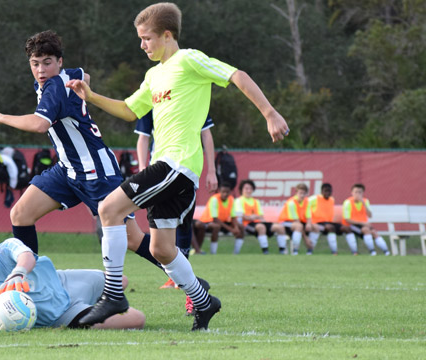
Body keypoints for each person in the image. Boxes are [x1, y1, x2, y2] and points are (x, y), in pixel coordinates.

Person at [66, 2, 289, 330]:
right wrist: (91, 96)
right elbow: (130, 110)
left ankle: (113, 295)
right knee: (162, 248)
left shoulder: (188, 59)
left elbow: (236, 75)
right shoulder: (153, 75)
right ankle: (204, 301)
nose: (142, 45)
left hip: (178, 164)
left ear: (167, 35)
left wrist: (270, 113)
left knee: (109, 208)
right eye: (140, 39)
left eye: (147, 38)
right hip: (169, 167)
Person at [0, 30, 158, 269]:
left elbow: (39, 124)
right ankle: (31, 280)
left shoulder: (54, 86)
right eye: (35, 64)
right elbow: (85, 75)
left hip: (96, 170)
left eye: (47, 63)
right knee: (21, 215)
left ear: (59, 62)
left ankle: (190, 280)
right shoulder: (66, 76)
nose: (41, 70)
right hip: (68, 170)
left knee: (132, 239)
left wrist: (1, 116)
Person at [0, 229, 145, 329]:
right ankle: (89, 312)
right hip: (63, 314)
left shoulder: (4, 248)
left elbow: (26, 256)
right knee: (137, 319)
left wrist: (18, 272)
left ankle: (95, 306)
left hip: (64, 281)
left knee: (121, 281)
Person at [135, 110, 217, 286]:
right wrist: (143, 167)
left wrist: (212, 170)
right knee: (159, 227)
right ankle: (181, 276)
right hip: (159, 169)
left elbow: (206, 135)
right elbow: (143, 137)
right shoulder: (152, 99)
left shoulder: (193, 94)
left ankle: (179, 279)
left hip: (187, 167)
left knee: (183, 221)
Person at [234, 179, 287, 254]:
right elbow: (241, 216)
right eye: (246, 188)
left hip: (258, 222)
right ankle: (265, 251)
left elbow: (261, 216)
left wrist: (253, 216)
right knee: (261, 227)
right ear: (241, 190)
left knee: (279, 227)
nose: (248, 191)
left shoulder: (256, 201)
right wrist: (252, 217)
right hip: (246, 224)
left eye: (250, 189)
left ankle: (282, 251)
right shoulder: (238, 201)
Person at [192, 182, 242, 255]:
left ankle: (236, 253)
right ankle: (213, 253)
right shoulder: (214, 199)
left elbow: (233, 216)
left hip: (223, 222)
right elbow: (215, 219)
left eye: (227, 192)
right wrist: (231, 229)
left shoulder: (231, 199)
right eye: (223, 192)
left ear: (230, 192)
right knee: (216, 227)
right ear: (219, 191)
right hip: (208, 221)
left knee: (241, 227)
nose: (225, 194)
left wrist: (236, 227)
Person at [342, 183, 390, 256]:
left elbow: (370, 215)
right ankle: (372, 251)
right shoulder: (348, 202)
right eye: (356, 192)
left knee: (374, 232)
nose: (357, 194)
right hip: (352, 226)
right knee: (366, 230)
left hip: (364, 225)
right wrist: (362, 223)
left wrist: (364, 204)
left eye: (360, 192)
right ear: (352, 193)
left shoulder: (365, 201)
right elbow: (347, 219)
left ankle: (386, 251)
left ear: (363, 193)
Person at [305, 183, 346, 255]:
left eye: (329, 191)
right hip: (317, 222)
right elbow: (305, 206)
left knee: (346, 228)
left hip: (328, 222)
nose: (328, 193)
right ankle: (333, 251)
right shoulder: (314, 198)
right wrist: (309, 221)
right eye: (325, 191)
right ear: (321, 191)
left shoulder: (332, 199)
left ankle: (354, 252)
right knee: (330, 228)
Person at [278, 183, 312, 255]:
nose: (302, 195)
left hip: (297, 222)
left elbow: (308, 216)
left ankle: (310, 250)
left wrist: (309, 224)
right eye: (300, 193)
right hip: (285, 222)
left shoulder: (307, 201)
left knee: (314, 227)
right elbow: (296, 221)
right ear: (296, 193)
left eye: (304, 193)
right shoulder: (291, 203)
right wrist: (305, 238)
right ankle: (295, 250)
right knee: (299, 226)